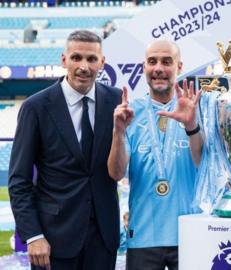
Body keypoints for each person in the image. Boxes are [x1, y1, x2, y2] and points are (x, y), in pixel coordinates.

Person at [9, 30, 122, 269]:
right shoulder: (36, 107)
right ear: (64, 60)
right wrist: (33, 235)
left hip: (103, 239)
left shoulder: (116, 101)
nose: (84, 66)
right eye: (76, 57)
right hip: (52, 240)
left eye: (92, 59)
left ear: (102, 62)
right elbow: (19, 180)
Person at [107, 39, 202, 270]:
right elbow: (116, 173)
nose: (158, 68)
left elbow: (203, 163)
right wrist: (118, 133)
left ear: (179, 67)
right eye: (152, 62)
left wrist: (191, 126)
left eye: (166, 62)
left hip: (190, 232)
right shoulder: (130, 112)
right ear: (144, 68)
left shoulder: (196, 108)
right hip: (144, 235)